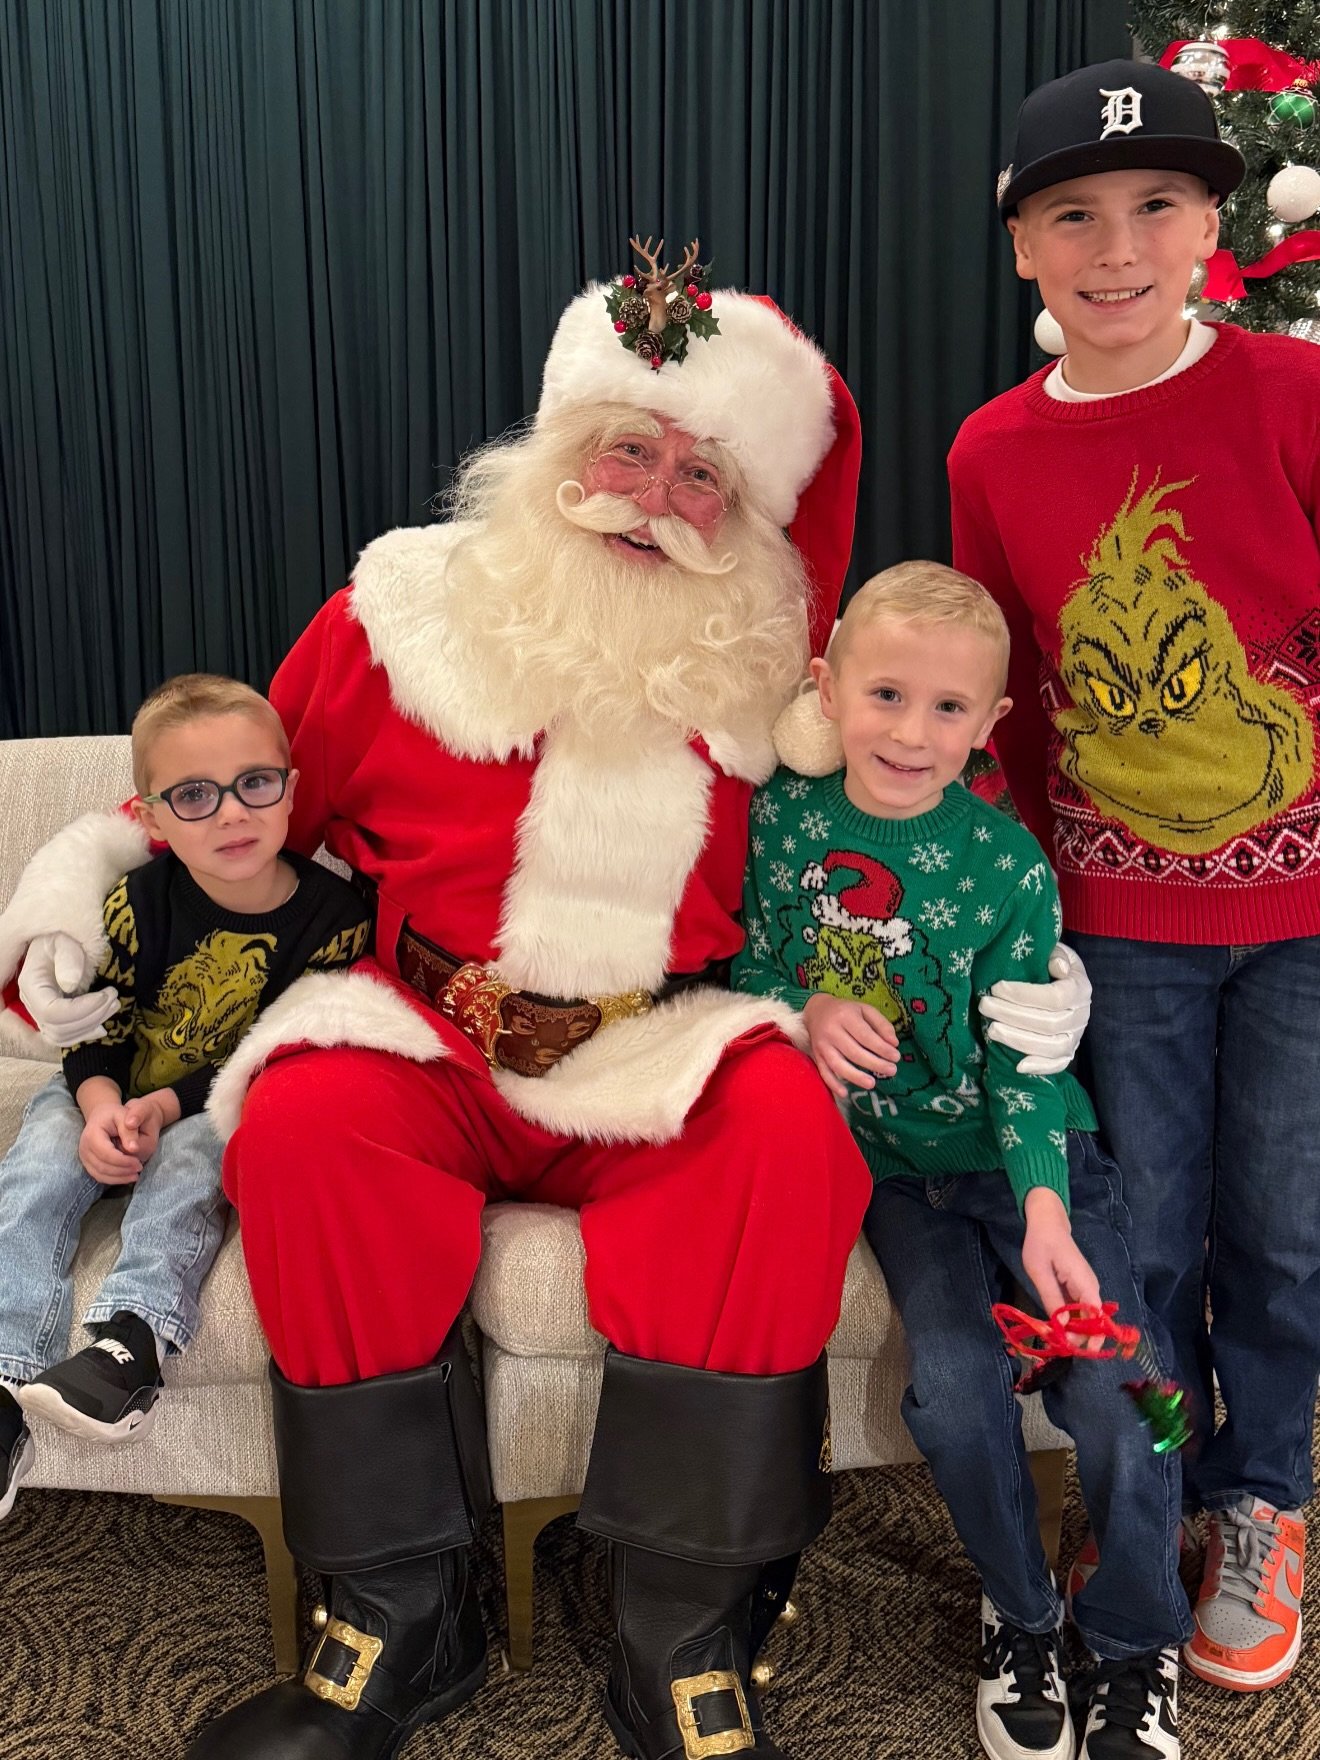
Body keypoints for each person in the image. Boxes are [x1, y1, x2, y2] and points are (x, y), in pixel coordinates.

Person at [0, 249, 1090, 1760]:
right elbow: (229, 797)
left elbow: (920, 834)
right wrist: (77, 891)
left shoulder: (780, 671)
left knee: (784, 1126)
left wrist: (1038, 965)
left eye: (704, 474)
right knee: (305, 1119)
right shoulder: (396, 611)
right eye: (626, 449)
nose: (653, 492)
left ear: (748, 513)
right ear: (557, 447)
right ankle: (393, 1621)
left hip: (653, 1035)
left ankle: (681, 1631)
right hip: (423, 1026)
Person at [947, 57, 1320, 1695]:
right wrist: (1016, 912)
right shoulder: (993, 454)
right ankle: (1148, 1486)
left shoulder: (1295, 398)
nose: (1115, 248)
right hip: (1117, 931)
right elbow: (996, 697)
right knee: (1145, 1236)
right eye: (1074, 216)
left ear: (1209, 230)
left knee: (1287, 1231)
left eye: (1155, 207)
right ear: (1024, 249)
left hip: (1304, 915)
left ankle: (1265, 1497)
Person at [735, 564, 1190, 1760]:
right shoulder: (780, 817)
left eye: (949, 708)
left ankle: (1140, 1638)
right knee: (949, 1387)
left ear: (991, 724)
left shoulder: (1004, 863)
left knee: (1126, 1388)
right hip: (893, 1175)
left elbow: (1026, 1059)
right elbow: (736, 965)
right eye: (886, 693)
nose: (911, 731)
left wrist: (1046, 1208)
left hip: (1027, 1159)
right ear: (827, 688)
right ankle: (1025, 1616)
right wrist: (802, 1004)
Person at [0, 673, 371, 1521]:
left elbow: (278, 1046)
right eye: (195, 796)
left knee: (198, 1157)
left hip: (216, 1100)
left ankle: (131, 1343)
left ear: (290, 792)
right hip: (109, 1087)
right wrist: (99, 1107)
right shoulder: (136, 901)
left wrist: (163, 1111)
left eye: (255, 784)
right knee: (38, 1167)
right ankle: (5, 1377)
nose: (233, 814)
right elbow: (95, 1029)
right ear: (154, 816)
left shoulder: (335, 917)